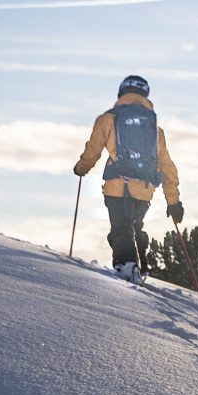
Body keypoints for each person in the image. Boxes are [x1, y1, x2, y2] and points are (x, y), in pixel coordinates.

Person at [70, 74, 185, 281]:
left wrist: (81, 167)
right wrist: (174, 202)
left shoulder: (108, 119)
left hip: (117, 185)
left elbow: (93, 150)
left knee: (121, 227)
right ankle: (142, 265)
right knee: (134, 226)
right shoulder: (154, 129)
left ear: (122, 93)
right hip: (145, 189)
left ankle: (127, 265)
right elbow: (167, 166)